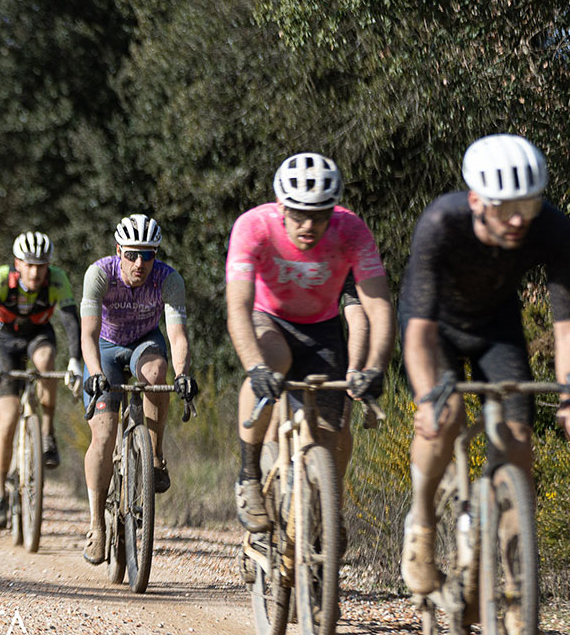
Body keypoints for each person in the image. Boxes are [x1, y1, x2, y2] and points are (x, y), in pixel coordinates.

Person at [398, 134, 570, 594]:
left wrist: (568, 394)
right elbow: (418, 334)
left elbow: (566, 327)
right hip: (434, 327)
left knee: (517, 443)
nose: (518, 220)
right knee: (444, 417)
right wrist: (427, 399)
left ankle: (516, 585)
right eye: (505, 207)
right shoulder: (441, 223)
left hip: (496, 328)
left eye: (528, 206)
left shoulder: (553, 228)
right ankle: (421, 523)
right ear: (476, 201)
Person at [225, 152, 394, 535]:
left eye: (319, 215)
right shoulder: (253, 226)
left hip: (321, 329)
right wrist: (255, 368)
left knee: (329, 438)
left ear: (333, 210)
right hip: (268, 318)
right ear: (281, 206)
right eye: (299, 214)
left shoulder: (351, 230)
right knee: (274, 360)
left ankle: (321, 523)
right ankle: (248, 476)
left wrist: (375, 367)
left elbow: (378, 307)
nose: (308, 225)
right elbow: (237, 308)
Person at [79, 215, 198, 564]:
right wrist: (95, 373)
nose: (139, 264)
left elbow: (177, 335)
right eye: (131, 255)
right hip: (105, 347)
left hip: (144, 342)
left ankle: (155, 456)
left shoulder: (168, 279)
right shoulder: (99, 273)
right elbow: (87, 335)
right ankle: (96, 525)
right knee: (103, 436)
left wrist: (182, 374)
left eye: (148, 255)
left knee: (157, 371)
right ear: (118, 251)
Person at [0, 231, 83, 530]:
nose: (36, 272)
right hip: (3, 340)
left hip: (38, 335)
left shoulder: (57, 279)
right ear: (17, 264)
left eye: (42, 265)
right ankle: (0, 495)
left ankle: (47, 433)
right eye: (30, 265)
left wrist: (75, 360)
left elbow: (70, 321)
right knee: (9, 416)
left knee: (46, 361)